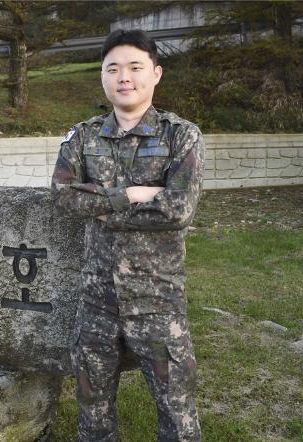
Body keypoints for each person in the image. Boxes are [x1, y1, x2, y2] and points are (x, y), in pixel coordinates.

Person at [51, 29, 204, 441]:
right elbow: (63, 198)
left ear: (155, 74)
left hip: (158, 301)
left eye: (135, 67)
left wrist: (99, 207)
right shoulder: (82, 137)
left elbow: (178, 210)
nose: (124, 77)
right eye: (113, 68)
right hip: (97, 303)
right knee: (93, 413)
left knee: (177, 415)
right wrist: (130, 196)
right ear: (102, 76)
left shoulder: (181, 136)